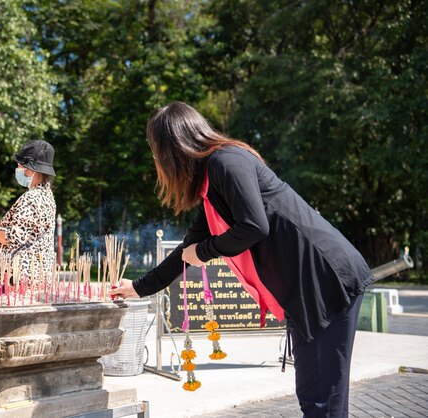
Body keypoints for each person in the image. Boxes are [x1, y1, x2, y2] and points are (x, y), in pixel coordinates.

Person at [110, 102, 375, 417]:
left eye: (156, 152)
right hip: (304, 290)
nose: (157, 161)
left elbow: (254, 226)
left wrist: (205, 252)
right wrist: (138, 287)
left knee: (323, 399)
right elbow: (185, 251)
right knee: (311, 395)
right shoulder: (212, 187)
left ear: (173, 149)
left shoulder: (227, 162)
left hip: (326, 279)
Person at [0, 140, 56, 292]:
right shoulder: (46, 196)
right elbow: (22, 230)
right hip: (34, 275)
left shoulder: (32, 198)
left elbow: (11, 238)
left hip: (20, 278)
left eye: (20, 165)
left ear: (32, 170)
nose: (17, 168)